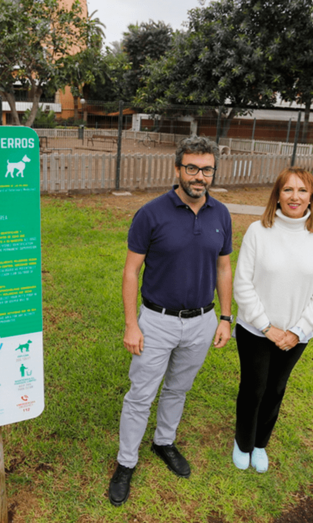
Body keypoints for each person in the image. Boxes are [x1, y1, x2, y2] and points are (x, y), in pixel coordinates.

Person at [108, 136, 233, 507]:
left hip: (202, 321)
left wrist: (225, 317)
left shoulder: (221, 214)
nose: (199, 176)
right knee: (140, 395)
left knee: (178, 389)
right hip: (157, 321)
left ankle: (164, 442)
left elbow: (224, 268)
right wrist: (132, 324)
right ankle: (126, 462)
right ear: (177, 169)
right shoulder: (151, 214)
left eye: (206, 169)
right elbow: (131, 272)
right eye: (191, 168)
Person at [231, 166, 313, 473]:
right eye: (288, 189)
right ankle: (243, 443)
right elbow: (242, 284)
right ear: (277, 195)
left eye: (302, 190)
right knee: (254, 389)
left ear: (311, 196)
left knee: (276, 389)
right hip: (255, 330)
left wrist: (298, 331)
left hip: (296, 335)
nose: (294, 196)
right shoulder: (258, 231)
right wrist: (267, 327)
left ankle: (260, 444)